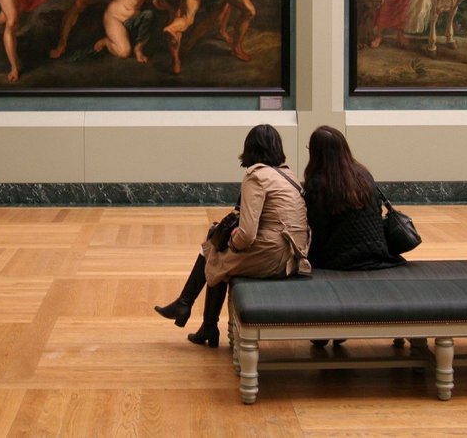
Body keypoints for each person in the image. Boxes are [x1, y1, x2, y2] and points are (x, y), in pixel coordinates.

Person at [154, 124, 310, 348]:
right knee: (216, 250)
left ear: (249, 148)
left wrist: (232, 243)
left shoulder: (256, 176)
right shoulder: (288, 175)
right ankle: (198, 318)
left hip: (273, 256)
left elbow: (246, 235)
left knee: (215, 251)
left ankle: (195, 313)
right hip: (295, 255)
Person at [303, 125, 403, 272]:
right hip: (379, 251)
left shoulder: (319, 183)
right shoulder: (364, 175)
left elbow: (317, 230)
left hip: (341, 258)